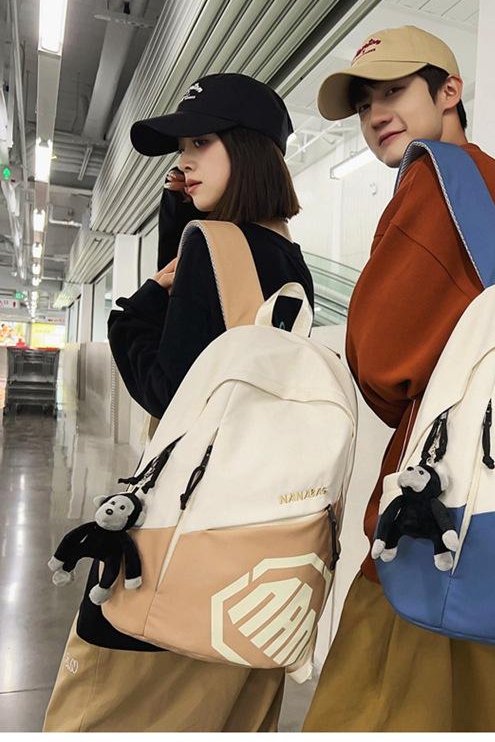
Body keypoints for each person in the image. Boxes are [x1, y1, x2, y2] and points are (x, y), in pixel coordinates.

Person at [43, 73, 314, 733]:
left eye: (200, 143)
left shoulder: (215, 248)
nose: (185, 161)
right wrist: (182, 222)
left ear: (247, 149)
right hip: (260, 544)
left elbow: (171, 392)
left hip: (180, 536)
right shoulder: (289, 259)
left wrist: (129, 314)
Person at [303, 26, 495, 732]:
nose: (376, 113)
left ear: (449, 92)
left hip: (438, 531)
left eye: (394, 91)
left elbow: (382, 358)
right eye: (364, 104)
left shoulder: (435, 176)